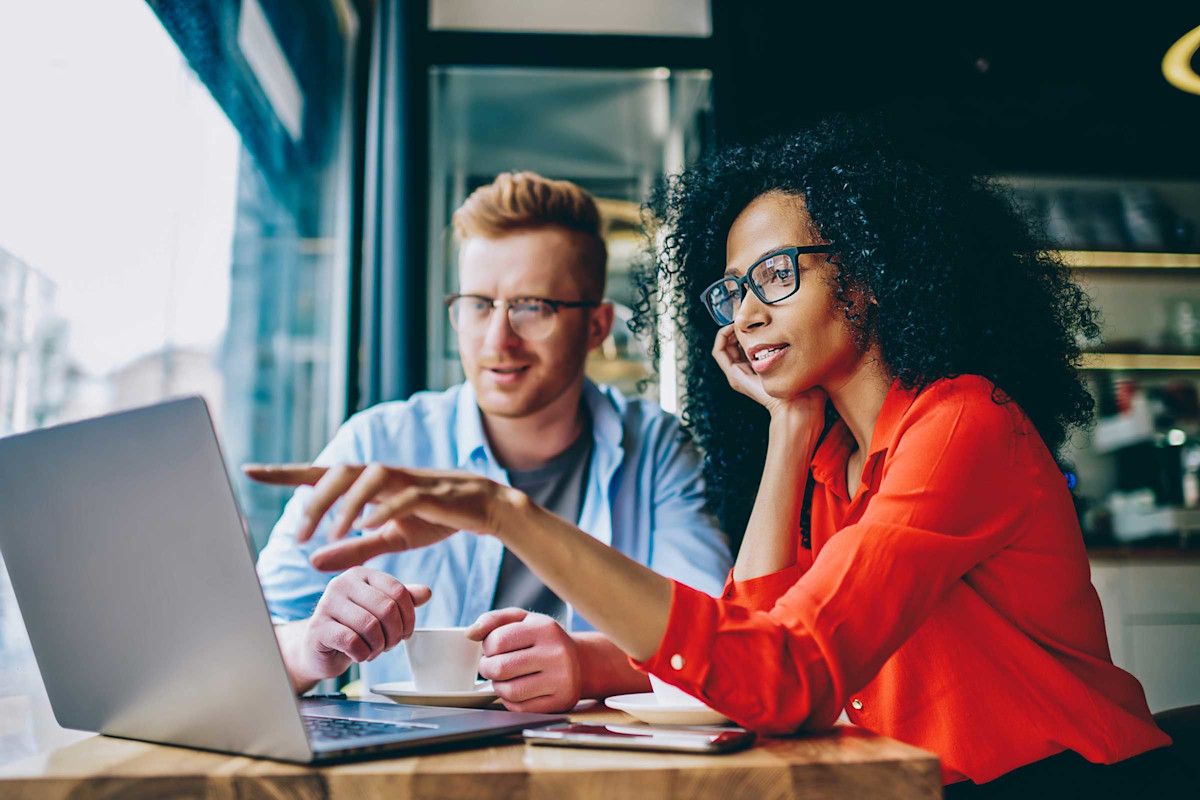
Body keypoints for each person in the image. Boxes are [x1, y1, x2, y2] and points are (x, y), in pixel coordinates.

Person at [248, 118, 1180, 794]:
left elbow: (783, 672)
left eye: (777, 275)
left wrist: (508, 515)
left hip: (1062, 779)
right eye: (732, 288)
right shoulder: (830, 462)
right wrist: (786, 432)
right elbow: (753, 652)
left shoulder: (961, 426)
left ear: (872, 272)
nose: (745, 313)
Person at [253, 171, 732, 713]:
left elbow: (717, 640)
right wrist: (312, 648)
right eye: (478, 304)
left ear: (597, 326)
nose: (497, 339)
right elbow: (245, 638)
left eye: (532, 307)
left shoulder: (656, 448)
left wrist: (587, 663)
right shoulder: (378, 442)